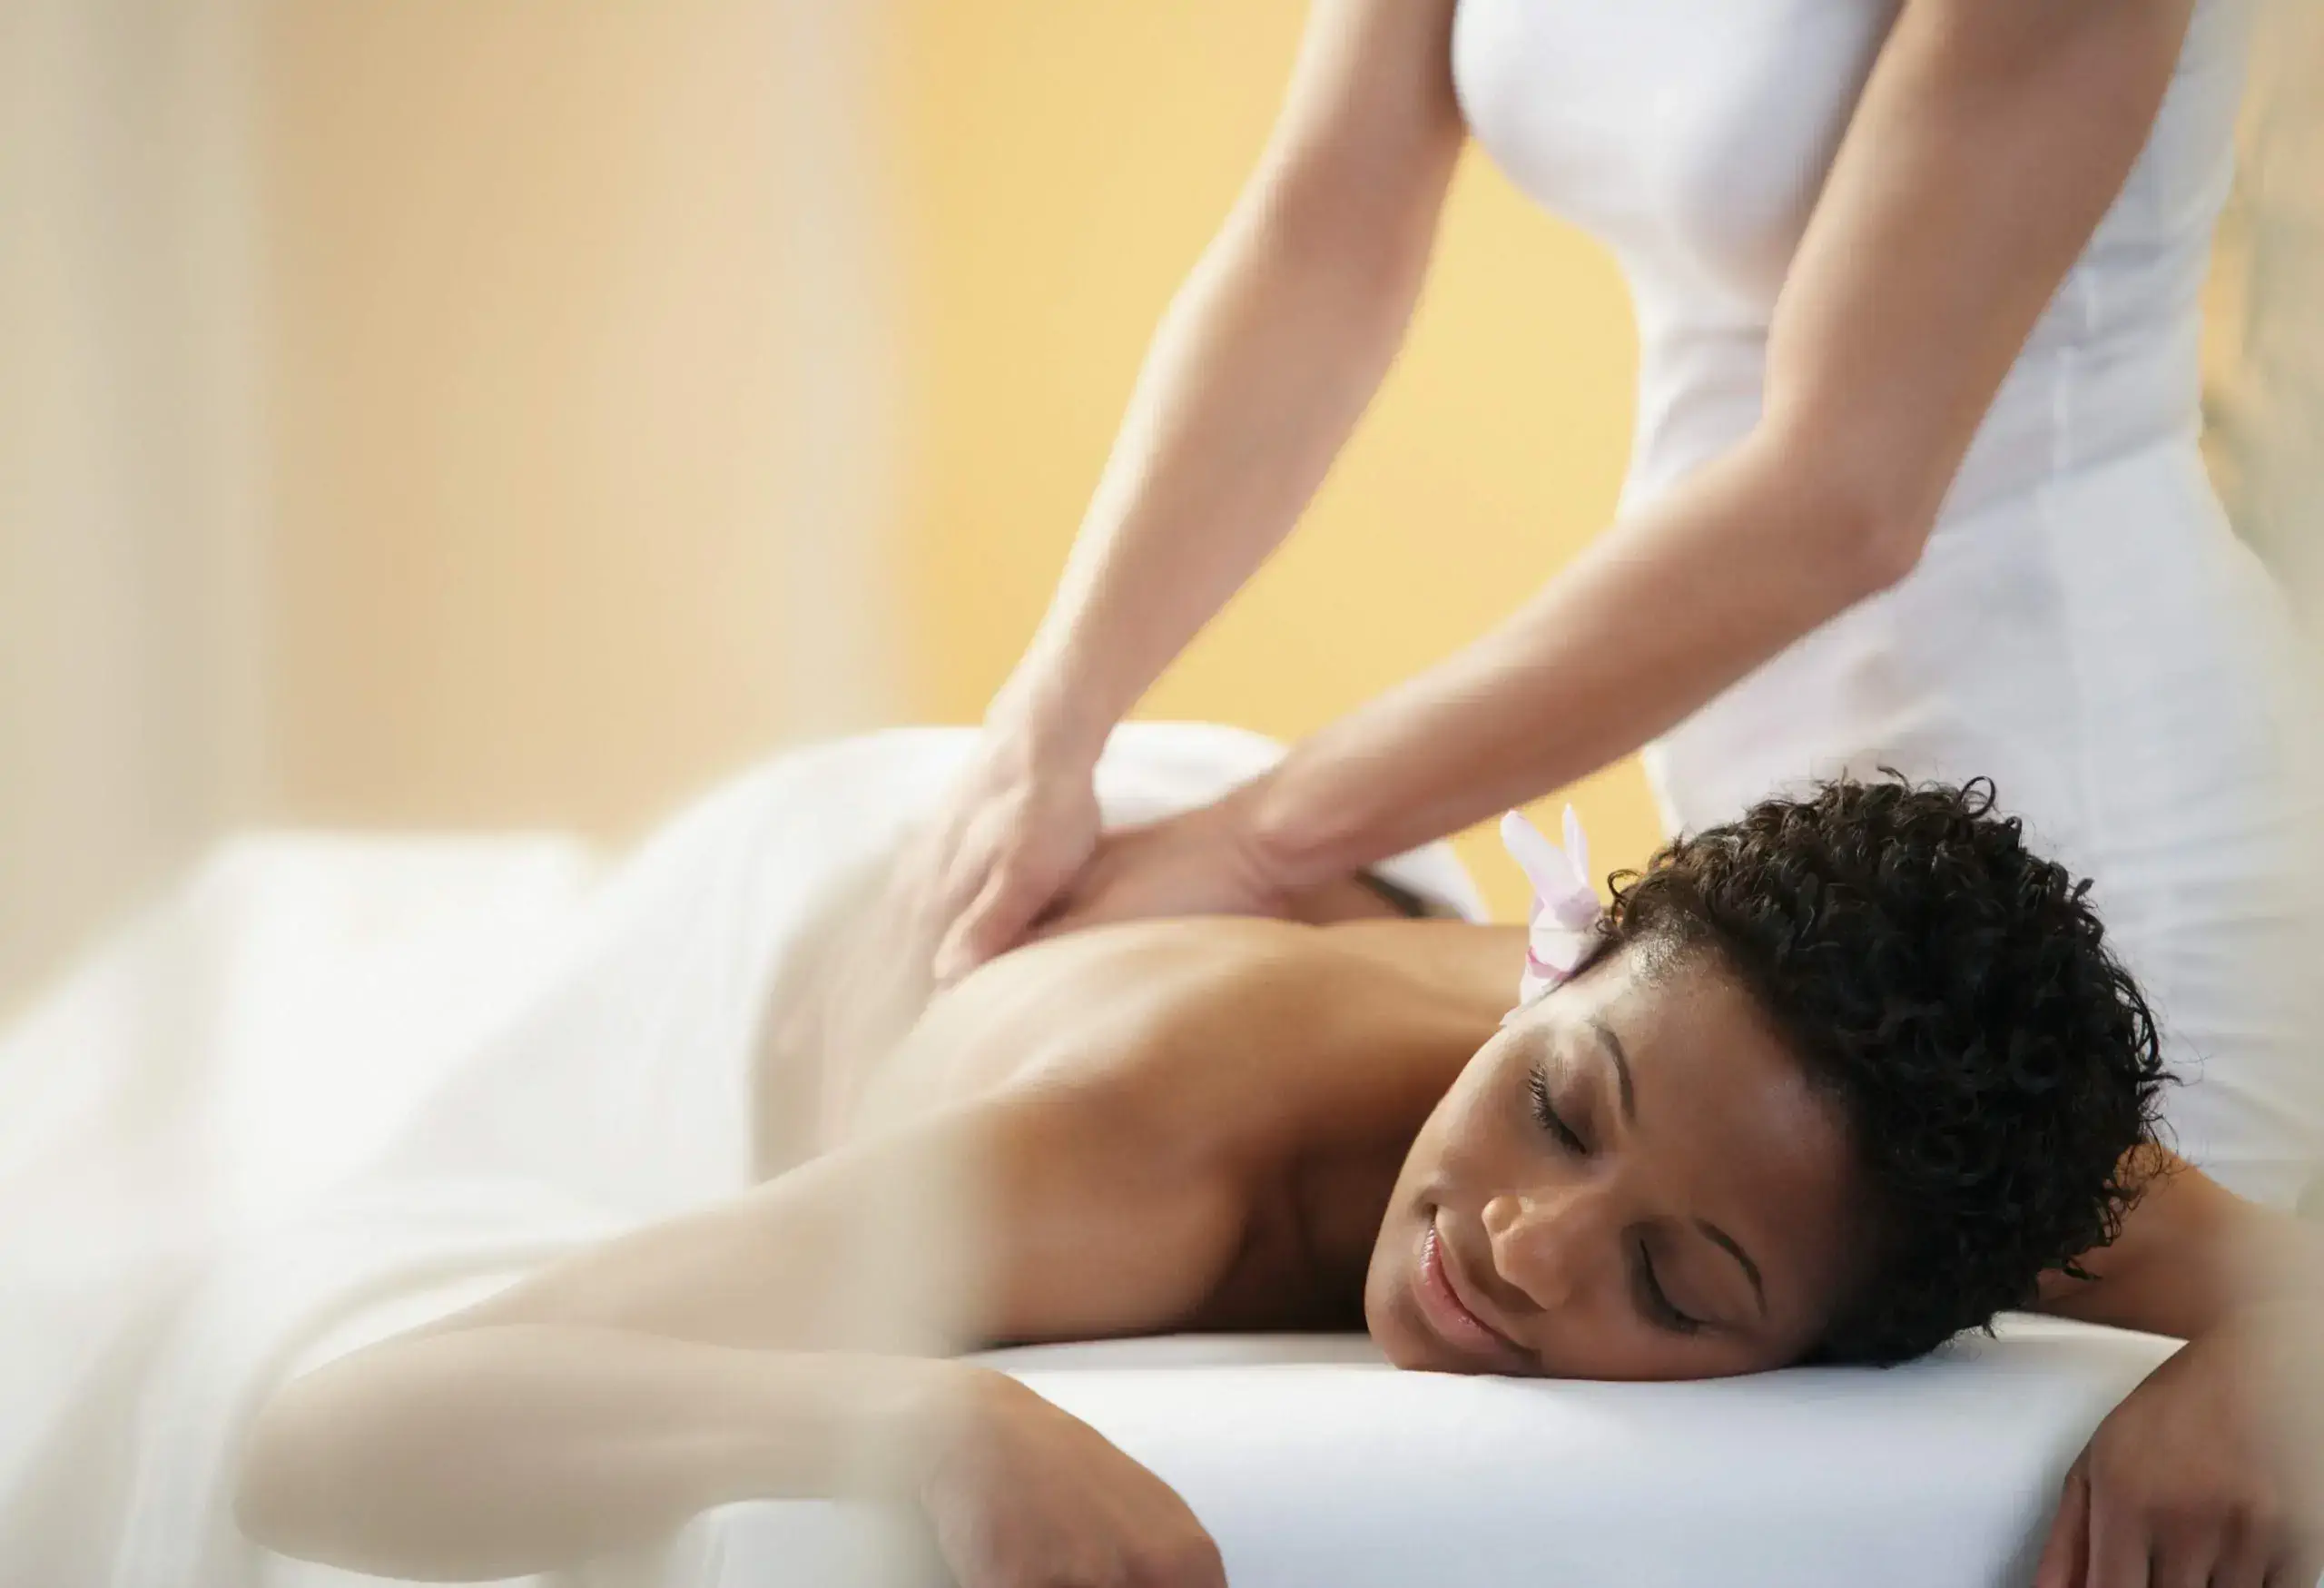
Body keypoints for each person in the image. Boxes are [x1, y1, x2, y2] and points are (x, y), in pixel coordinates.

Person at [234, 768, 2316, 1588]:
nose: (1516, 1238)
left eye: (1674, 1293)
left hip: (1309, 909)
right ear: (1562, 970)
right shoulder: (1107, 1170)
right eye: (1554, 1109)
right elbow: (327, 1438)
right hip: (858, 903)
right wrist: (915, 1414)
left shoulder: (1841, 1104)